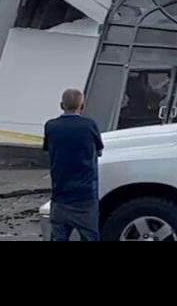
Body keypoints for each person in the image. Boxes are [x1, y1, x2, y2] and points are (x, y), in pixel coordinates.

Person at [42, 88, 104, 241]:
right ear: (82, 107)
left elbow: (47, 150)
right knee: (89, 236)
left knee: (58, 236)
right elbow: (99, 151)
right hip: (85, 195)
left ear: (61, 105)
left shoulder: (51, 126)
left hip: (60, 194)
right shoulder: (89, 125)